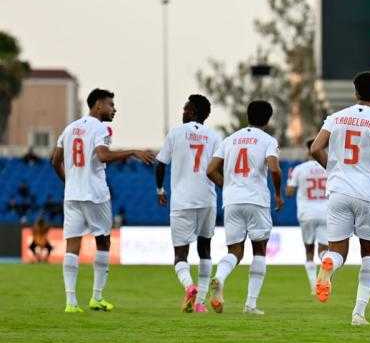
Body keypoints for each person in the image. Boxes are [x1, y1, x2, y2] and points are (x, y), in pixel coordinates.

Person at [309, 71, 370, 326]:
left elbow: (315, 148)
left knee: (337, 250)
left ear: (355, 93)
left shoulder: (336, 117)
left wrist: (332, 171)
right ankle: (358, 313)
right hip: (368, 195)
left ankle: (329, 262)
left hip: (339, 192)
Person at [50, 88, 155, 313]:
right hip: (95, 195)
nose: (114, 109)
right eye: (110, 105)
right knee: (103, 242)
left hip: (73, 195)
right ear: (98, 105)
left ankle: (71, 302)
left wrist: (69, 182)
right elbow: (103, 155)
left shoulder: (69, 129)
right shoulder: (101, 128)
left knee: (72, 245)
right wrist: (133, 151)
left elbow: (54, 160)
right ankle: (96, 297)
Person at [206, 100, 283, 315]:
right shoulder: (268, 140)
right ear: (268, 119)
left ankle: (220, 277)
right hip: (256, 199)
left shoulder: (230, 140)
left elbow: (210, 170)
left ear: (248, 115)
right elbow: (275, 169)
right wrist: (277, 194)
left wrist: (228, 186)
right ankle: (250, 304)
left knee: (235, 251)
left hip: (232, 201)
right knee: (259, 250)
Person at [155, 94, 221, 313]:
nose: (182, 112)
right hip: (207, 199)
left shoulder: (175, 133)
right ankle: (201, 302)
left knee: (180, 254)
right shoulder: (214, 136)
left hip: (182, 201)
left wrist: (160, 189)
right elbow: (219, 167)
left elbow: (161, 163)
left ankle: (189, 286)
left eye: (185, 109)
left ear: (192, 111)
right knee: (205, 249)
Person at [286, 139, 329, 295]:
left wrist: (290, 179)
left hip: (306, 213)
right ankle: (325, 271)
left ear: (308, 151)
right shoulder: (330, 167)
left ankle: (313, 286)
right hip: (326, 212)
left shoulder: (299, 169)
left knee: (309, 250)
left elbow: (289, 193)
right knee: (324, 249)